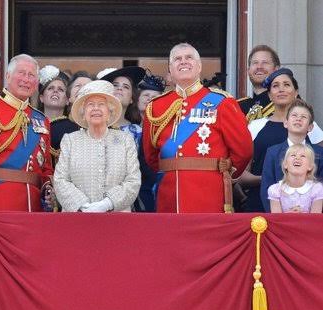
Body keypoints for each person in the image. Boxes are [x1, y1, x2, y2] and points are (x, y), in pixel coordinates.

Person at [143, 42, 252, 213]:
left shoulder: (222, 102)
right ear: (170, 70)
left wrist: (225, 174)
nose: (183, 61)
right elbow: (151, 156)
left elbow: (243, 150)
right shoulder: (156, 106)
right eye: (177, 59)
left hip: (209, 194)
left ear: (199, 66)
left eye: (189, 58)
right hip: (168, 195)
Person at [0, 54, 53, 212]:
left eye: (31, 75)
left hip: (35, 206)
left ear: (36, 83)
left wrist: (48, 190)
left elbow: (46, 167)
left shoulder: (42, 120)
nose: (26, 79)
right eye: (21, 73)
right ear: (7, 76)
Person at [239, 68, 323, 212]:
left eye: (287, 84)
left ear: (296, 92)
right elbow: (241, 173)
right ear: (269, 95)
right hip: (262, 202)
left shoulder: (310, 126)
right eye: (276, 86)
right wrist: (267, 178)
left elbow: (320, 166)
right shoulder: (255, 125)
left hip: (308, 210)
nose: (281, 89)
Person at [53, 80, 141, 212]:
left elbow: (133, 181)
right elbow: (60, 180)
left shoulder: (125, 140)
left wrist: (107, 203)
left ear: (110, 111)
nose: (95, 108)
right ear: (83, 112)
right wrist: (83, 206)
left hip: (117, 221)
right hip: (78, 219)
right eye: (90, 105)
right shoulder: (70, 140)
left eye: (101, 104)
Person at [99, 66, 158, 212]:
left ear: (132, 98)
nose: (119, 89)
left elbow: (145, 174)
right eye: (115, 85)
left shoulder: (139, 133)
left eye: (126, 87)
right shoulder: (92, 128)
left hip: (131, 203)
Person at [261, 99, 323, 212]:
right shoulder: (273, 152)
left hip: (312, 220)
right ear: (285, 123)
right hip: (279, 220)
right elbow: (266, 187)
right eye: (294, 115)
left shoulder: (320, 153)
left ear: (310, 127)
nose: (298, 119)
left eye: (304, 117)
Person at [49, 70, 93, 166]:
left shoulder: (109, 129)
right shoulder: (54, 128)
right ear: (68, 99)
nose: (83, 89)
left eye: (87, 86)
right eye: (78, 86)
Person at [268, 144, 323, 213]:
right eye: (293, 155)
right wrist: (290, 215)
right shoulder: (275, 190)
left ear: (310, 166)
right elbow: (277, 220)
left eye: (303, 156)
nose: (297, 158)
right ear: (285, 164)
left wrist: (301, 215)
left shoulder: (317, 189)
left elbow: (315, 220)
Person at [237, 45, 280, 122]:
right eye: (255, 63)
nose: (259, 67)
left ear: (276, 70)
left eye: (265, 63)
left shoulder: (286, 104)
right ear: (248, 70)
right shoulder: (238, 107)